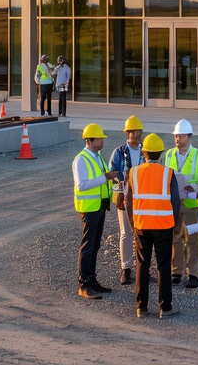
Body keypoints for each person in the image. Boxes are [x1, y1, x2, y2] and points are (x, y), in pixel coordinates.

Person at [126, 133, 182, 319]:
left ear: (144, 152)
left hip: (141, 226)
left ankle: (141, 307)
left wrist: (133, 223)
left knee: (142, 264)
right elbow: (175, 202)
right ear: (161, 153)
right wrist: (175, 225)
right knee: (163, 266)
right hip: (163, 226)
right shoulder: (168, 173)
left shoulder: (133, 172)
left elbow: (128, 201)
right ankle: (165, 308)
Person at [73, 123, 120, 299]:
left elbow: (101, 180)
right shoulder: (81, 160)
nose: (102, 141)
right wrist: (105, 178)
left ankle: (91, 280)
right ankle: (83, 284)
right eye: (99, 138)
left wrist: (111, 181)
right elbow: (82, 185)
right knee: (87, 246)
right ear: (90, 140)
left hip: (99, 206)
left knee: (95, 245)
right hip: (89, 208)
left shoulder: (97, 157)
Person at [164, 118, 198, 289]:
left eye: (180, 136)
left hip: (192, 204)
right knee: (175, 238)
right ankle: (176, 272)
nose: (177, 139)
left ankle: (193, 274)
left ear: (188, 137)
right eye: (176, 136)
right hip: (174, 203)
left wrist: (193, 186)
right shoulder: (168, 154)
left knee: (192, 240)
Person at [108, 115, 145, 285]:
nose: (137, 134)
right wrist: (121, 182)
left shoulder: (146, 151)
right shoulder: (119, 152)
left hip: (143, 199)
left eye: (139, 131)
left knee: (142, 233)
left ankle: (141, 268)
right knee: (126, 233)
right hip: (124, 197)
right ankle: (126, 269)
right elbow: (112, 174)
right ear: (127, 133)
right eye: (134, 132)